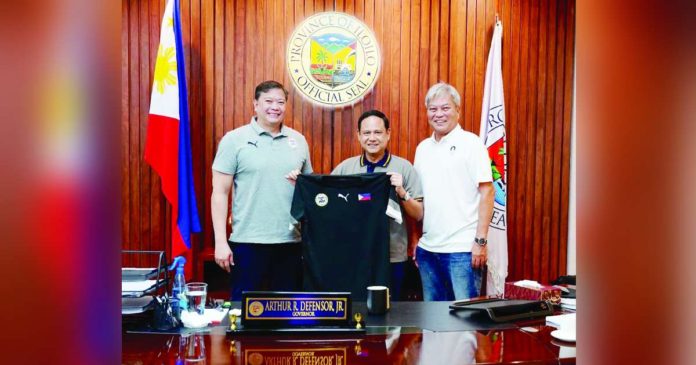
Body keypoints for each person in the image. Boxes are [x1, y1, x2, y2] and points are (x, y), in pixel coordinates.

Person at [211, 80, 313, 300]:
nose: (274, 107)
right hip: (248, 243)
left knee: (288, 317)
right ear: (255, 105)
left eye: (280, 102)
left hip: (290, 242)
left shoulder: (299, 141)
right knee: (244, 314)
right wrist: (221, 242)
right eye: (268, 101)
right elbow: (219, 193)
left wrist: (301, 185)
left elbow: (310, 192)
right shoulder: (234, 140)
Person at [413, 82, 494, 301]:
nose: (438, 114)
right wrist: (416, 241)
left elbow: (487, 192)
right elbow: (418, 199)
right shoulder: (422, 149)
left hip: (463, 251)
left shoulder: (472, 144)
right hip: (428, 251)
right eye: (433, 109)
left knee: (464, 325)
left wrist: (480, 242)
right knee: (433, 323)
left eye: (445, 108)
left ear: (458, 110)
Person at [332, 109, 423, 300]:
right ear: (358, 135)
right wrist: (300, 184)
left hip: (392, 256)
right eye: (367, 133)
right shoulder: (345, 168)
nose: (372, 138)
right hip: (354, 254)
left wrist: (401, 192)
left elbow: (418, 214)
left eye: (378, 132)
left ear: (388, 134)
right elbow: (326, 201)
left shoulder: (404, 168)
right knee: (357, 310)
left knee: (391, 313)